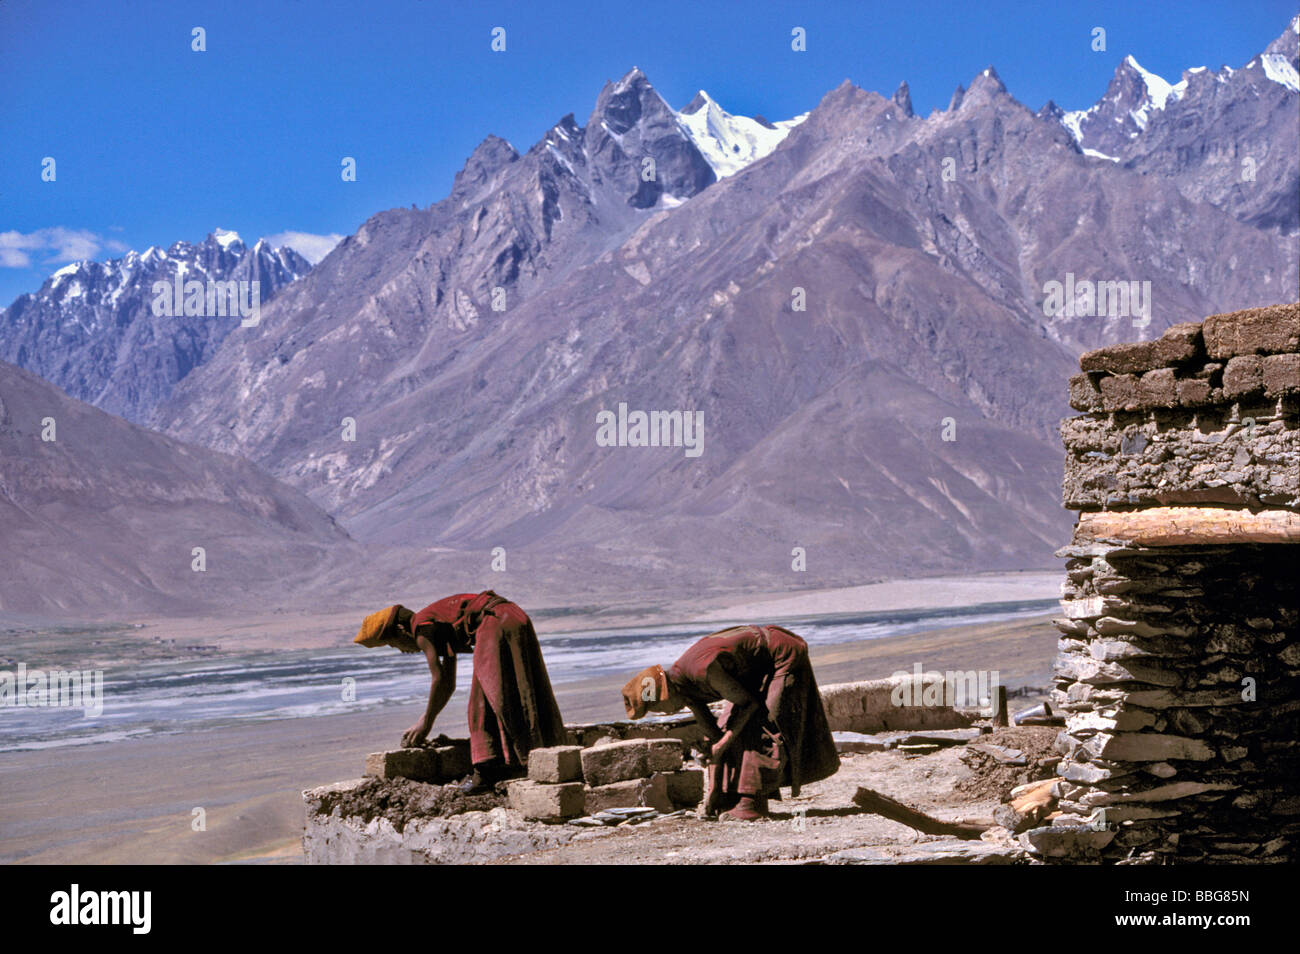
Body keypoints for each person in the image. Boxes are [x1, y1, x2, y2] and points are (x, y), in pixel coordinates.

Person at [355, 591, 567, 793]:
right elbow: (448, 683)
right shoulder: (433, 622)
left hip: (494, 621)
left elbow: (438, 678)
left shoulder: (420, 628)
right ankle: (531, 756)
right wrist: (427, 719)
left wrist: (426, 722)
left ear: (401, 630)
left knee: (481, 701)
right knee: (517, 687)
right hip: (511, 615)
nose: (401, 650)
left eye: (393, 644)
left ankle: (486, 772)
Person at [621, 625, 839, 820]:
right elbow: (714, 735)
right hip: (756, 667)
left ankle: (751, 803)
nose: (663, 713)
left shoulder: (702, 670)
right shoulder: (684, 689)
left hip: (782, 654)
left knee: (760, 726)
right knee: (728, 725)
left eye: (657, 708)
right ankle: (728, 798)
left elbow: (749, 705)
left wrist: (723, 743)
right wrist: (713, 789)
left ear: (664, 695)